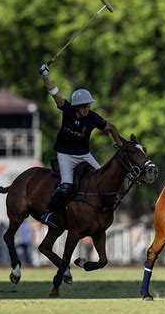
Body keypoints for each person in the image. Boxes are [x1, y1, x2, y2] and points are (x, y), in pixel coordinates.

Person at [38, 63, 123, 228]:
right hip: (65, 153)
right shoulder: (68, 110)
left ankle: (101, 210)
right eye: (84, 106)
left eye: (88, 105)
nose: (87, 108)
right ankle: (47, 212)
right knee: (66, 185)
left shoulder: (93, 117)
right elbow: (54, 93)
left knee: (101, 179)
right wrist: (45, 77)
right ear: (77, 106)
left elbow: (111, 127)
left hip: (84, 153)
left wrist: (119, 144)